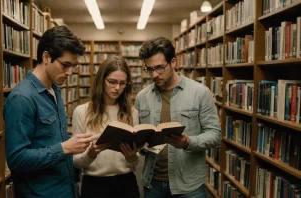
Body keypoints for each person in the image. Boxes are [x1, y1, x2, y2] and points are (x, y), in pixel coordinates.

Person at [4, 25, 97, 198]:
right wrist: (65, 148)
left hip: (66, 188)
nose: (69, 72)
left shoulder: (55, 88)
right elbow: (16, 159)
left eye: (74, 66)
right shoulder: (22, 98)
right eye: (65, 65)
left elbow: (48, 140)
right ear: (46, 57)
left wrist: (76, 144)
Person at [135, 37, 222, 198]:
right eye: (149, 69)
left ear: (173, 62)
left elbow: (215, 135)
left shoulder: (200, 93)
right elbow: (140, 137)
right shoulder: (142, 97)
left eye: (160, 68)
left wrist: (188, 142)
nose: (154, 74)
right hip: (152, 182)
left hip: (189, 186)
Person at [72, 56, 141, 198]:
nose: (117, 88)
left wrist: (132, 157)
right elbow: (76, 162)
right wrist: (90, 154)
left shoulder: (132, 113)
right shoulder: (82, 111)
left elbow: (135, 162)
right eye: (112, 82)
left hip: (126, 183)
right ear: (101, 80)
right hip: (94, 185)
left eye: (123, 83)